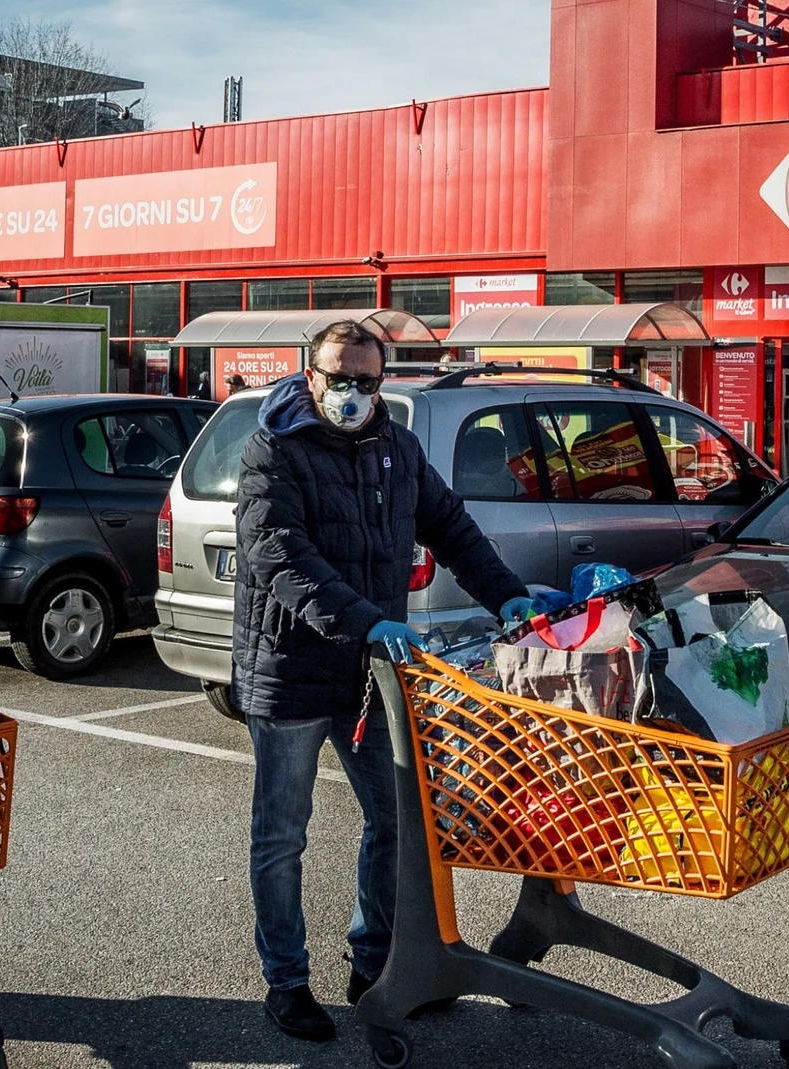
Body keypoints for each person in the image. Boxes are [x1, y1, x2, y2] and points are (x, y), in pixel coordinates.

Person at [233, 321, 532, 1042]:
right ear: (310, 378)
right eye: (339, 377)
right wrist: (367, 620)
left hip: (368, 673)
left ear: (382, 381)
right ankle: (287, 981)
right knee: (283, 832)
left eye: (365, 380)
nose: (352, 392)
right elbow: (282, 556)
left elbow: (452, 528)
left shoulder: (395, 445)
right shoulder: (274, 448)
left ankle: (374, 965)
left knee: (398, 817)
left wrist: (509, 595)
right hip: (293, 668)